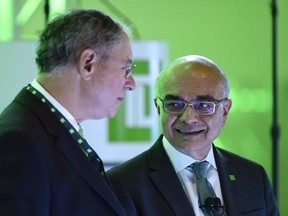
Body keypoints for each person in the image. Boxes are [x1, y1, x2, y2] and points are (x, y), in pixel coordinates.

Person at [0, 9, 136, 216]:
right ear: (88, 63)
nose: (131, 83)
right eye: (126, 69)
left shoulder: (44, 129)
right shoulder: (20, 142)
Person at [107, 55, 279, 216]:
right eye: (174, 104)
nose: (188, 118)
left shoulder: (253, 176)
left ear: (225, 112)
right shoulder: (122, 184)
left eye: (203, 105)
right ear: (159, 109)